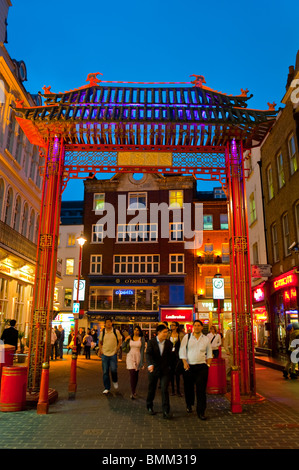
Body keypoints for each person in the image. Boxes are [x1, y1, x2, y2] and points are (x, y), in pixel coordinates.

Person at [179, 319, 213, 420]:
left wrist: (208, 365)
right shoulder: (187, 337)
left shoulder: (206, 339)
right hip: (189, 367)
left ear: (202, 327)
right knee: (188, 388)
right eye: (195, 325)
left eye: (199, 325)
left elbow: (210, 353)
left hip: (202, 367)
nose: (197, 327)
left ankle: (201, 411)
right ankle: (189, 404)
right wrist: (184, 362)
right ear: (193, 327)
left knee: (201, 390)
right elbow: (182, 351)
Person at [146, 323, 173, 419]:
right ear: (159, 332)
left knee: (164, 389)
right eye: (164, 332)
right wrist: (150, 364)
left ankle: (166, 410)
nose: (166, 334)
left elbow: (171, 357)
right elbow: (148, 354)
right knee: (152, 388)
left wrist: (170, 367)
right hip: (154, 369)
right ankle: (149, 406)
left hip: (165, 370)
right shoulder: (151, 342)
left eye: (167, 332)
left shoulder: (169, 343)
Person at [98, 318, 122, 394]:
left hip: (113, 354)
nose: (108, 323)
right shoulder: (103, 332)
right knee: (105, 371)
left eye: (109, 322)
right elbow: (100, 342)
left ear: (112, 323)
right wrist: (101, 350)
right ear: (105, 324)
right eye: (107, 322)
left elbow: (120, 341)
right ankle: (107, 387)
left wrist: (117, 349)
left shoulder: (116, 331)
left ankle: (115, 380)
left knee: (114, 369)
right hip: (105, 354)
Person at [122, 325, 145, 399]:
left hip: (138, 356)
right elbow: (123, 346)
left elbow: (142, 351)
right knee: (132, 373)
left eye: (138, 330)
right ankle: (132, 392)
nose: (136, 331)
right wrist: (125, 340)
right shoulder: (129, 338)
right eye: (135, 330)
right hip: (130, 356)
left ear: (139, 331)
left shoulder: (142, 339)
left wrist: (142, 362)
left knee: (136, 374)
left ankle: (134, 390)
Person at [167, 321, 184, 396]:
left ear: (177, 326)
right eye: (171, 325)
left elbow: (183, 345)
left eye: (173, 325)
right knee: (171, 373)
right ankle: (173, 390)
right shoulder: (168, 334)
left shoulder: (180, 335)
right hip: (170, 355)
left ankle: (178, 390)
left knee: (177, 373)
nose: (171, 326)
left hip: (178, 356)